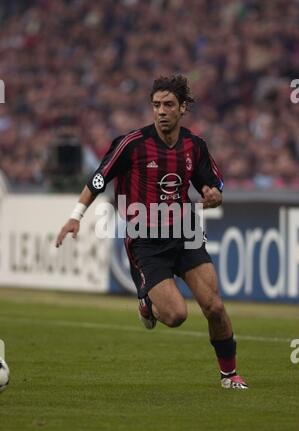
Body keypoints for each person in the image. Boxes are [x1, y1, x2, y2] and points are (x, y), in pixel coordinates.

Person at [56, 75, 248, 390]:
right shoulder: (131, 144)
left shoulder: (194, 146)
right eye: (156, 104)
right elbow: (98, 180)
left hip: (185, 232)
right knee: (175, 316)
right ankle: (147, 300)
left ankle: (230, 375)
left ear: (183, 108)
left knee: (214, 306)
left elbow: (212, 188)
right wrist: (75, 217)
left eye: (168, 104)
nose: (161, 111)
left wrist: (214, 196)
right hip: (145, 240)